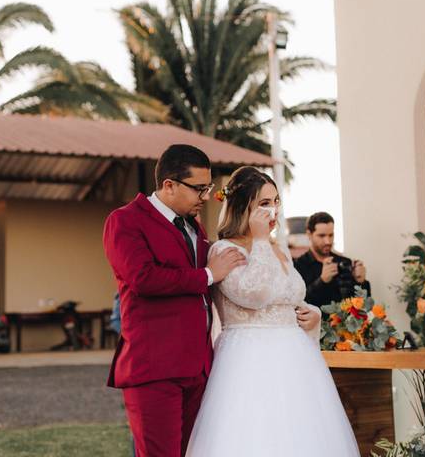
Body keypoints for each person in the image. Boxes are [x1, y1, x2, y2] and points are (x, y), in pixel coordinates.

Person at [185, 167, 359, 456]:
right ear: (243, 206)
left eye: (276, 201)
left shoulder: (280, 249)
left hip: (295, 360)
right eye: (264, 203)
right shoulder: (224, 250)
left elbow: (289, 296)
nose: (273, 210)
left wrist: (312, 314)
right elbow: (255, 295)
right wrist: (260, 242)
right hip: (248, 360)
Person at [102, 144, 247, 457]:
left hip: (199, 367)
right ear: (169, 185)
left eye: (208, 188)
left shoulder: (194, 225)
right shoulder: (125, 221)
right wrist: (208, 274)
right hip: (155, 368)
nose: (205, 196)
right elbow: (143, 278)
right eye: (198, 188)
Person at [294, 212, 371, 309]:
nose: (328, 241)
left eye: (331, 235)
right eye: (322, 236)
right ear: (309, 234)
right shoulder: (298, 266)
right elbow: (298, 303)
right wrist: (322, 281)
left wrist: (361, 282)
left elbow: (364, 305)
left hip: (345, 318)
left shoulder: (344, 262)